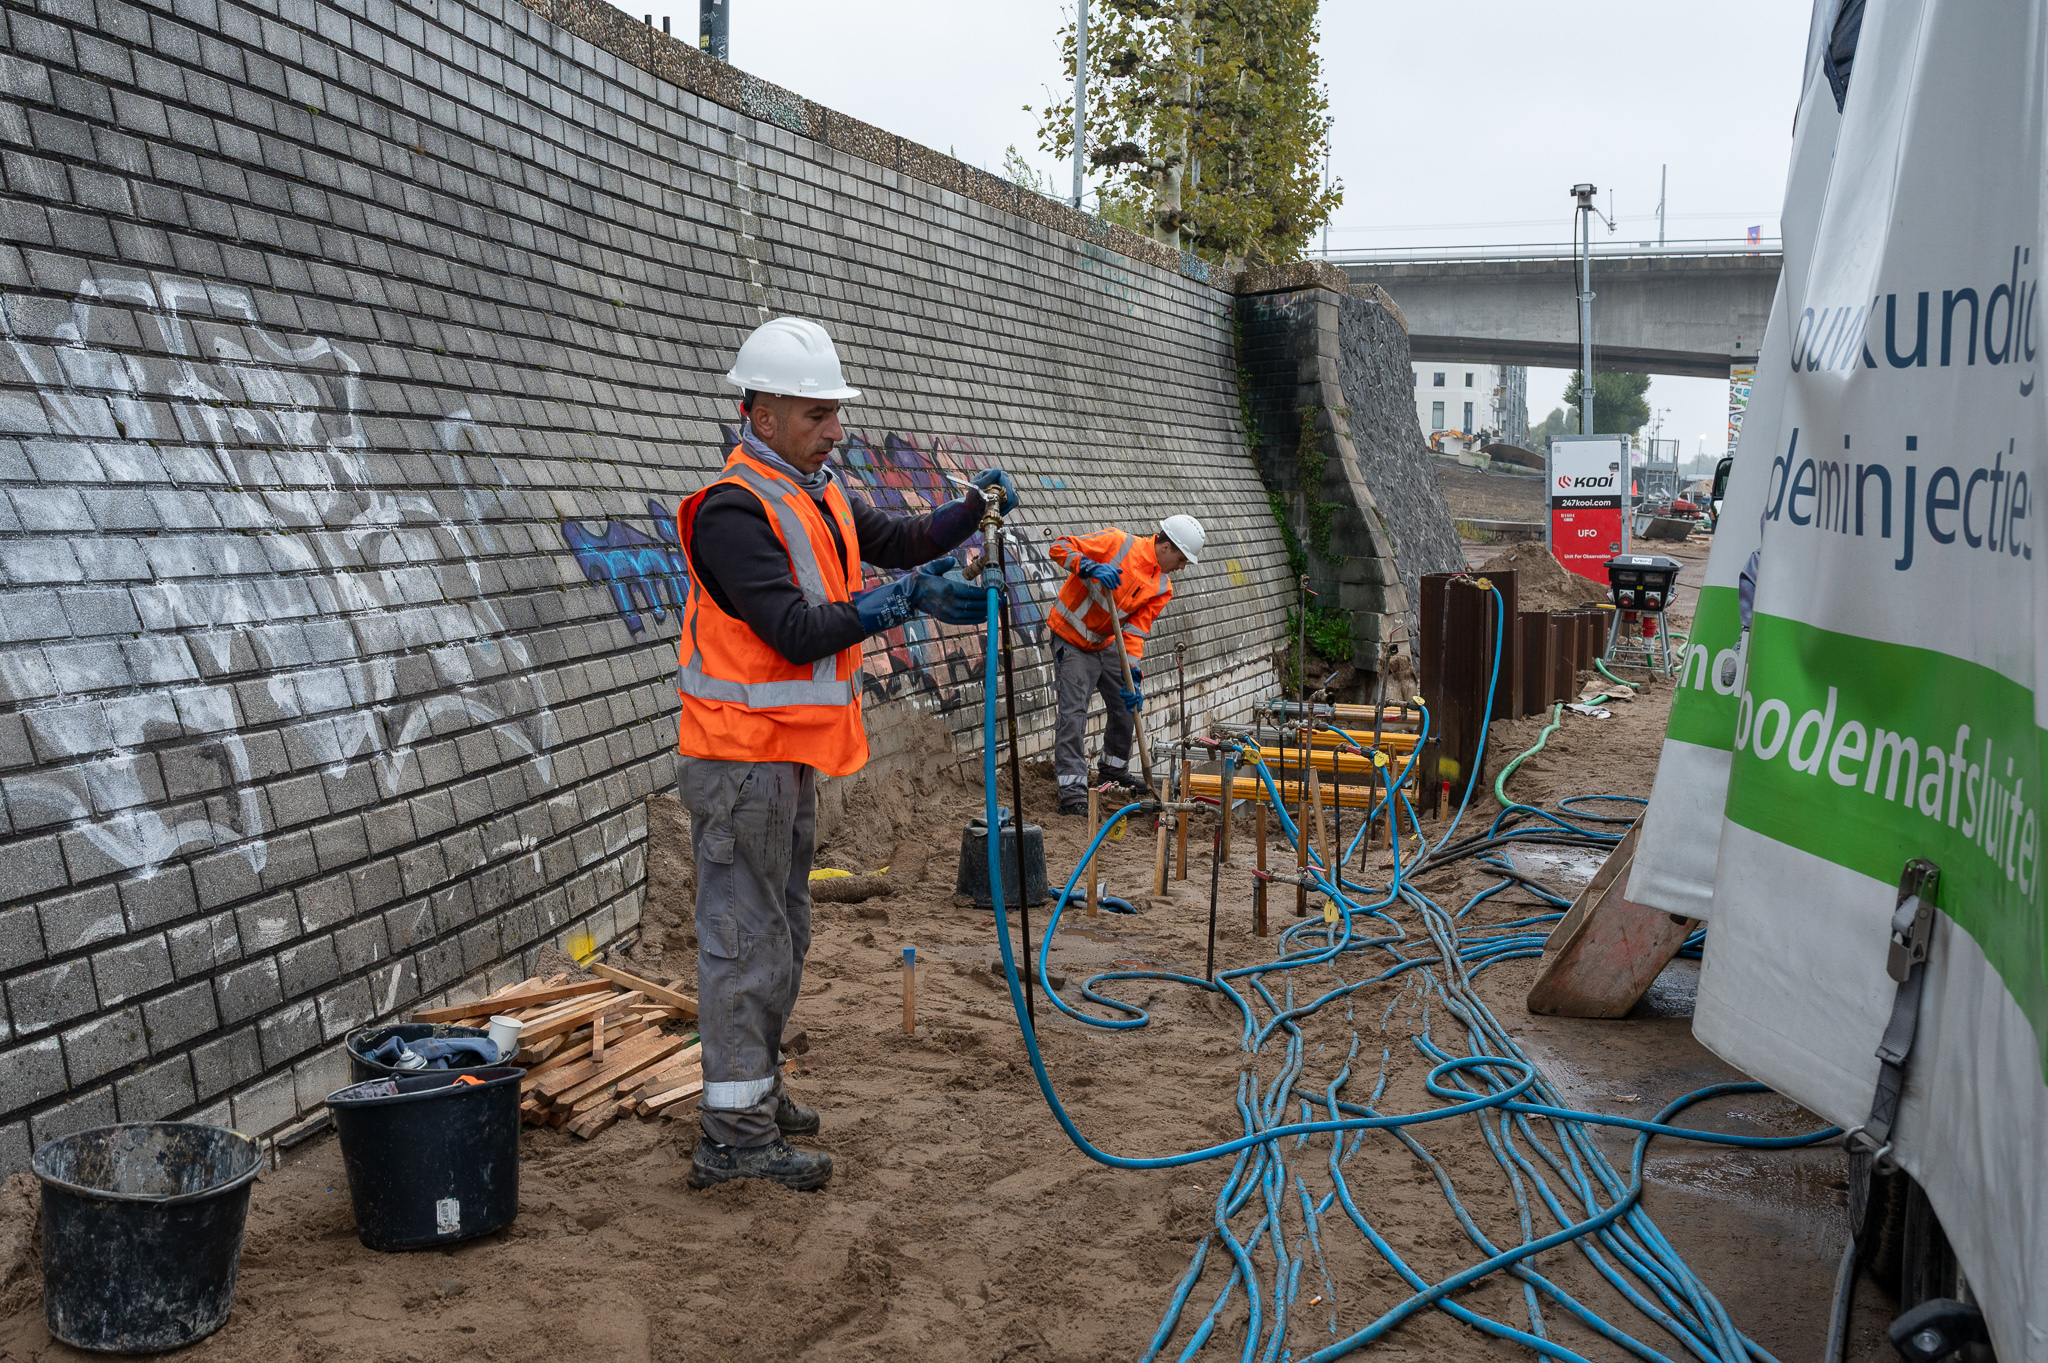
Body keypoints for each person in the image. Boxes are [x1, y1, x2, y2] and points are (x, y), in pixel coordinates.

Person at [673, 316, 1018, 1190]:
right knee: (746, 941)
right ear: (762, 412)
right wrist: (905, 601)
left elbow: (896, 541)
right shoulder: (732, 511)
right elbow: (791, 630)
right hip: (739, 758)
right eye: (819, 414)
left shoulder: (812, 491)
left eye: (836, 414)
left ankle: (756, 1090)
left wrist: (966, 514)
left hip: (779, 760)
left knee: (782, 932)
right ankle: (735, 1138)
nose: (837, 430)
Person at [1046, 515, 1205, 816]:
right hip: (1071, 636)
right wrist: (1089, 565)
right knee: (1074, 713)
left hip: (1105, 643)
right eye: (1182, 559)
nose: (1183, 566)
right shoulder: (1117, 542)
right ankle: (1072, 793)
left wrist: (1133, 675)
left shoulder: (1161, 586)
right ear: (1166, 546)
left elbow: (1134, 633)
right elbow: (1059, 547)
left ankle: (1113, 770)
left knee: (1126, 705)